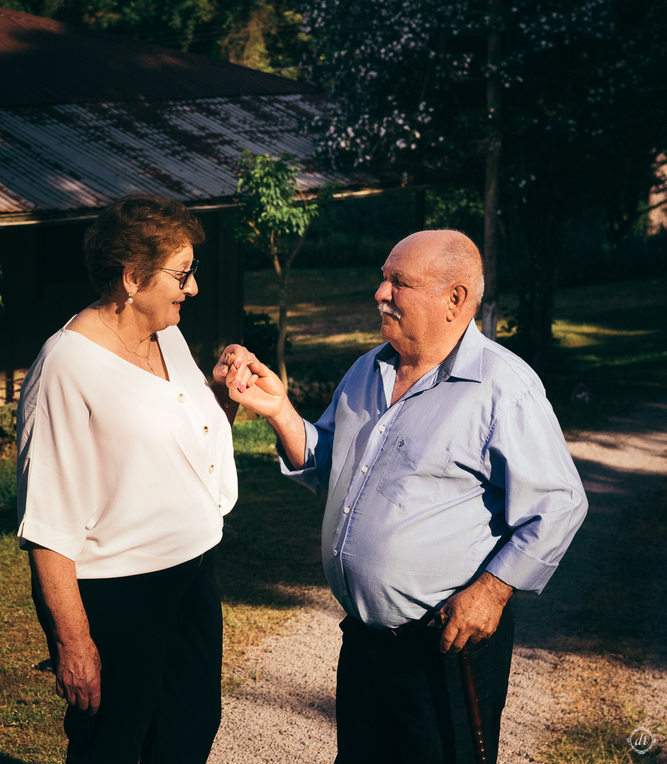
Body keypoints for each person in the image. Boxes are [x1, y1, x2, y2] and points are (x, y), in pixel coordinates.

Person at [228, 229, 588, 763]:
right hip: (365, 643)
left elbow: (559, 503)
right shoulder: (367, 369)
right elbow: (331, 467)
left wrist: (491, 592)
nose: (381, 293)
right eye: (383, 278)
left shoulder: (503, 388)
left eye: (400, 282)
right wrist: (280, 411)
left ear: (454, 299)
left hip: (445, 649)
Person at [16, 193, 255, 763]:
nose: (193, 287)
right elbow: (47, 521)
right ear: (132, 278)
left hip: (194, 572)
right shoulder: (66, 366)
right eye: (182, 274)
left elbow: (181, 444)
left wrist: (224, 395)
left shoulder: (166, 336)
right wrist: (74, 642)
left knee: (190, 730)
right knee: (115, 743)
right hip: (122, 593)